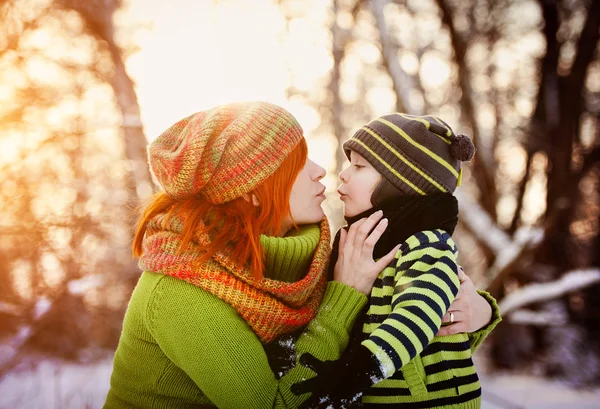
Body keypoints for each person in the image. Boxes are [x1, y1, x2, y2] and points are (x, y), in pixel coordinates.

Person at [103, 102, 497, 409]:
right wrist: (345, 295)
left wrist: (476, 314)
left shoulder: (320, 254)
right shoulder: (180, 292)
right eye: (298, 163)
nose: (322, 171)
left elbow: (406, 344)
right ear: (253, 189)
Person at [291, 113, 502, 408]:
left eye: (360, 166)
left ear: (399, 183)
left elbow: (417, 316)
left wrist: (355, 373)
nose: (342, 174)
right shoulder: (361, 243)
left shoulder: (427, 247)